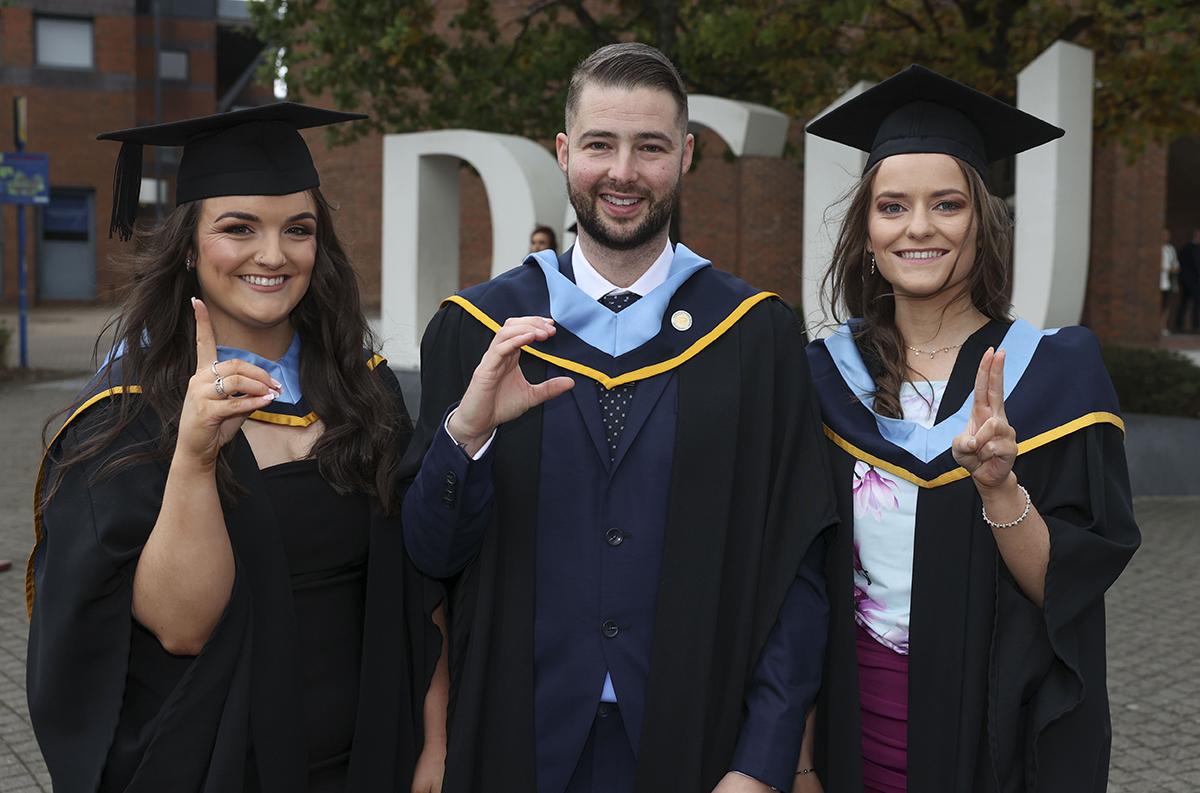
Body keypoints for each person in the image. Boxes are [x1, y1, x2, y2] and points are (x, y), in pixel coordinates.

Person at [401, 43, 835, 793]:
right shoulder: (478, 329)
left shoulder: (754, 336)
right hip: (515, 737)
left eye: (651, 147)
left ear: (687, 156)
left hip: (696, 737)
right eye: (600, 144)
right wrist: (465, 436)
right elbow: (429, 560)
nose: (623, 172)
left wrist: (764, 759)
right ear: (565, 153)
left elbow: (794, 564)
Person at [26, 103, 447, 793]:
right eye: (238, 228)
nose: (273, 255)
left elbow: (419, 583)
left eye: (298, 230)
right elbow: (183, 630)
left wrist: (437, 735)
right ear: (189, 247)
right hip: (217, 770)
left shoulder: (365, 394)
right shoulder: (127, 419)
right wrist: (193, 456)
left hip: (375, 757)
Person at [804, 65, 1140, 793]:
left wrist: (998, 486)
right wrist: (798, 763)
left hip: (996, 744)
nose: (918, 226)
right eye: (893, 206)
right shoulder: (821, 380)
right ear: (867, 230)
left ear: (981, 220)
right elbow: (788, 584)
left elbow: (1067, 589)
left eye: (946, 204)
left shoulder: (1058, 376)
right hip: (846, 733)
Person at [1176, 228, 1200, 333]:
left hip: (1190, 281)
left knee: (1185, 302)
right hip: (1191, 281)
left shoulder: (1189, 248)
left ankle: (1181, 325)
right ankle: (1195, 325)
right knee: (1194, 302)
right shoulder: (1188, 248)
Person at [1161, 228, 1180, 335]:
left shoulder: (1170, 249)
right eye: (1163, 235)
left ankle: (1163, 326)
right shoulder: (1157, 248)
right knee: (1159, 305)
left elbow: (1176, 266)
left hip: (1167, 282)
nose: (1165, 237)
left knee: (1166, 306)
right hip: (1159, 282)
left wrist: (1171, 269)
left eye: (1167, 235)